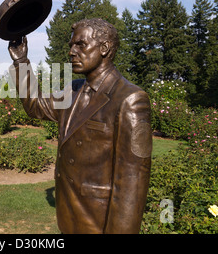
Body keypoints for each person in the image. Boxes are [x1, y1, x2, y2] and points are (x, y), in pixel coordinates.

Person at [8, 18, 152, 234]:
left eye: (81, 45)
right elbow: (35, 106)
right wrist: (21, 61)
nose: (71, 52)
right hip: (69, 218)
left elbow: (133, 183)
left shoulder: (130, 99)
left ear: (104, 48)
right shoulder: (73, 90)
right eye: (71, 46)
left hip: (99, 222)